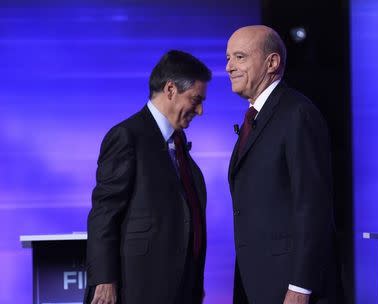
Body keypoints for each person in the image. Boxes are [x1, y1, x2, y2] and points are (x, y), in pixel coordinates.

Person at [84, 50, 211, 304]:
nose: (200, 111)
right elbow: (104, 213)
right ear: (171, 89)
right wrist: (104, 279)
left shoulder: (178, 143)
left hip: (181, 288)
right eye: (195, 99)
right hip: (137, 288)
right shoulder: (127, 136)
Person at [226, 25, 337, 304]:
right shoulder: (257, 117)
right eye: (228, 58)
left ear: (272, 62)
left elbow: (312, 205)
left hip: (289, 287)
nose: (229, 67)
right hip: (256, 282)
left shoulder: (296, 114)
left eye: (239, 57)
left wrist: (300, 286)